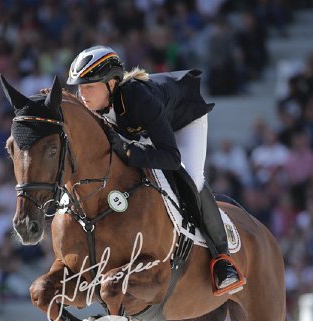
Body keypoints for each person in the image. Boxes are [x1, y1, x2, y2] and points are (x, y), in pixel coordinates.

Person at [66, 45, 244, 295]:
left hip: (182, 121)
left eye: (89, 86)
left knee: (192, 178)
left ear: (111, 84)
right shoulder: (91, 107)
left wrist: (129, 153)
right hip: (143, 131)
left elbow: (171, 158)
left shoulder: (139, 99)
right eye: (79, 87)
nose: (82, 94)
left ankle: (223, 260)